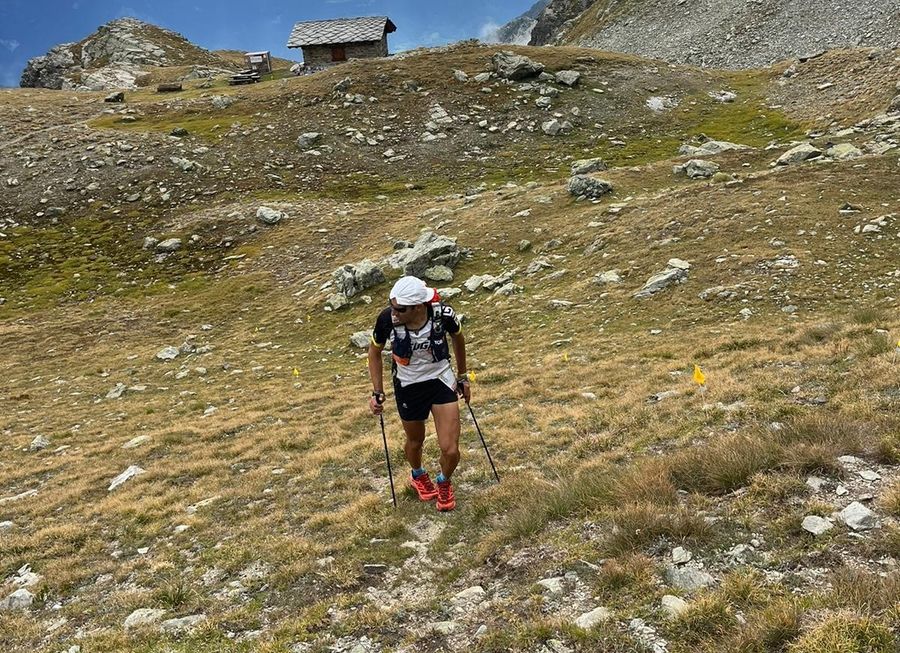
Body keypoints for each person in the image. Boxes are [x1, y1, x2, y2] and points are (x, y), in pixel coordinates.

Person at [367, 276, 470, 512]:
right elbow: (374, 352)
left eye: (400, 309)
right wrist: (377, 392)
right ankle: (418, 474)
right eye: (392, 306)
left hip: (440, 380)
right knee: (415, 441)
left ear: (417, 306)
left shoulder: (442, 314)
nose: (394, 313)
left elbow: (458, 337)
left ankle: (444, 481)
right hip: (408, 384)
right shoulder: (386, 320)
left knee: (451, 449)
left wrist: (462, 377)